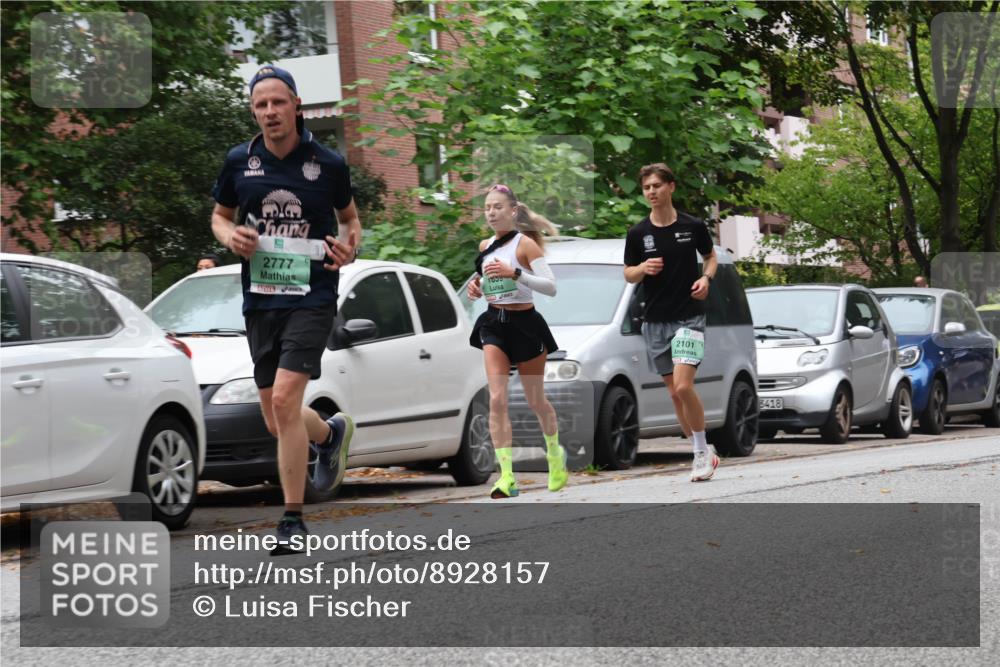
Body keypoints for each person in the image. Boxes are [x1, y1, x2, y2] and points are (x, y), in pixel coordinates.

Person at [210, 65, 361, 555]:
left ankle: (293, 519)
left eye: (278, 102)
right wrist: (229, 236)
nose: (270, 112)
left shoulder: (328, 164)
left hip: (313, 295)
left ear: (297, 105)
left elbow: (350, 220)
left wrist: (349, 248)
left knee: (283, 402)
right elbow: (220, 216)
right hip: (262, 297)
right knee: (279, 419)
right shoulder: (239, 162)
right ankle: (329, 432)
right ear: (253, 111)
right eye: (261, 105)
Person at [466, 184, 568, 498]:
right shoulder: (486, 245)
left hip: (526, 325)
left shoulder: (526, 246)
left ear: (512, 211)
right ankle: (507, 477)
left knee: (535, 400)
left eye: (498, 207)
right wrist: (477, 287)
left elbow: (550, 287)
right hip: (494, 323)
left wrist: (516, 274)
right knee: (497, 399)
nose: (492, 212)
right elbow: (484, 283)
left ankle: (554, 456)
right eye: (487, 208)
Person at [623, 163, 719, 482]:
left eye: (657, 186)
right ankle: (702, 448)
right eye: (647, 188)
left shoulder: (692, 226)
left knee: (683, 385)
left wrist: (706, 279)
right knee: (675, 394)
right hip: (655, 322)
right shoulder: (638, 233)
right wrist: (643, 268)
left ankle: (700, 452)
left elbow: (711, 257)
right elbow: (627, 273)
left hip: (689, 317)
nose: (651, 192)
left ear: (671, 187)